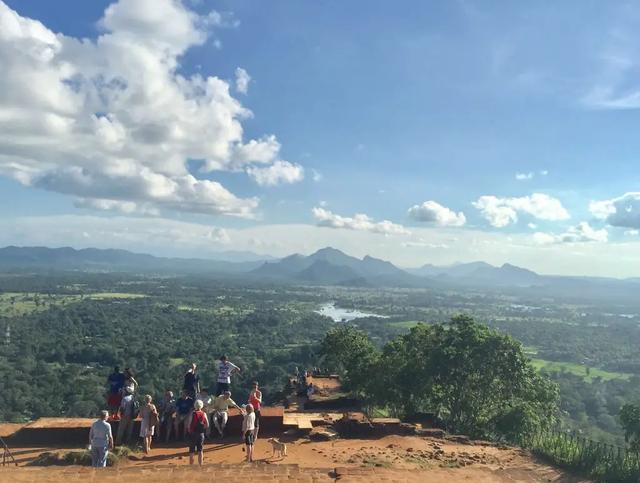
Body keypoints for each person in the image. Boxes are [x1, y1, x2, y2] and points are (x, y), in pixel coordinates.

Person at [188, 399, 209, 466]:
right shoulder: (204, 413)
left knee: (192, 450)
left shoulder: (192, 413)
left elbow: (189, 424)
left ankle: (191, 465)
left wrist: (189, 430)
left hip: (193, 433)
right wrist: (202, 428)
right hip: (200, 433)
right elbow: (207, 424)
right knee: (200, 450)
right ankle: (200, 464)